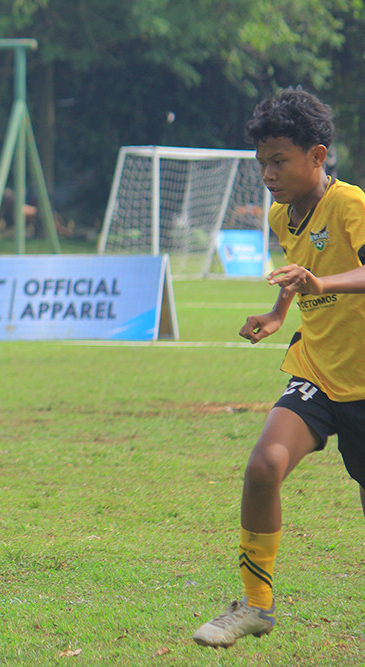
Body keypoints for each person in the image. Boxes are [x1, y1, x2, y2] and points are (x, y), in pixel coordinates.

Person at [193, 88, 365, 648]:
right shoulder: (279, 213)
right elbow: (301, 270)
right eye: (262, 162)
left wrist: (322, 284)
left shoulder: (351, 206)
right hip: (315, 368)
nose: (267, 173)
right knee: (264, 465)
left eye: (279, 161)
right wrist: (275, 313)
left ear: (317, 156)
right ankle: (255, 605)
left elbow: (333, 273)